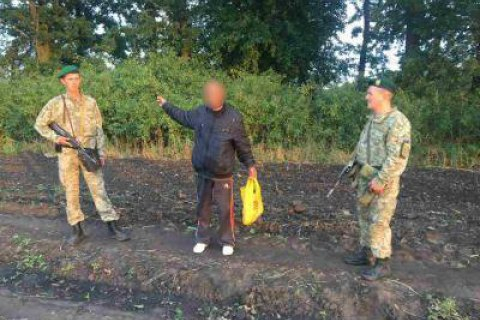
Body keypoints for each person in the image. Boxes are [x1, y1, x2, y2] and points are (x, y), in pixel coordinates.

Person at [157, 80, 257, 256]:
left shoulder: (233, 117)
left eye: (214, 94)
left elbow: (243, 144)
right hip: (202, 172)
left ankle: (227, 241)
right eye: (208, 94)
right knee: (203, 208)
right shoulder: (200, 113)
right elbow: (183, 116)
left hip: (223, 174)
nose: (211, 98)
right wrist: (166, 105)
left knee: (225, 210)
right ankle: (202, 239)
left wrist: (250, 165)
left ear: (222, 96)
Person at [34, 65, 129, 245]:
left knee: (99, 189)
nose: (74, 82)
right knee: (71, 192)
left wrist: (101, 152)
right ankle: (77, 230)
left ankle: (113, 226)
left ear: (80, 79)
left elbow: (99, 129)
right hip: (67, 154)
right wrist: (56, 138)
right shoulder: (56, 103)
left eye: (76, 78)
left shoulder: (91, 102)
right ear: (63, 81)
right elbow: (39, 124)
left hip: (88, 152)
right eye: (70, 79)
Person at [343, 78, 411, 281]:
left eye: (370, 93)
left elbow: (398, 157)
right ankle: (366, 252)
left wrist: (381, 180)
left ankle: (382, 263)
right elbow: (362, 145)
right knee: (364, 215)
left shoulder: (397, 121)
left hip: (383, 181)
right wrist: (353, 164)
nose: (366, 97)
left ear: (383, 95)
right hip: (366, 177)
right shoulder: (373, 119)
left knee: (379, 220)